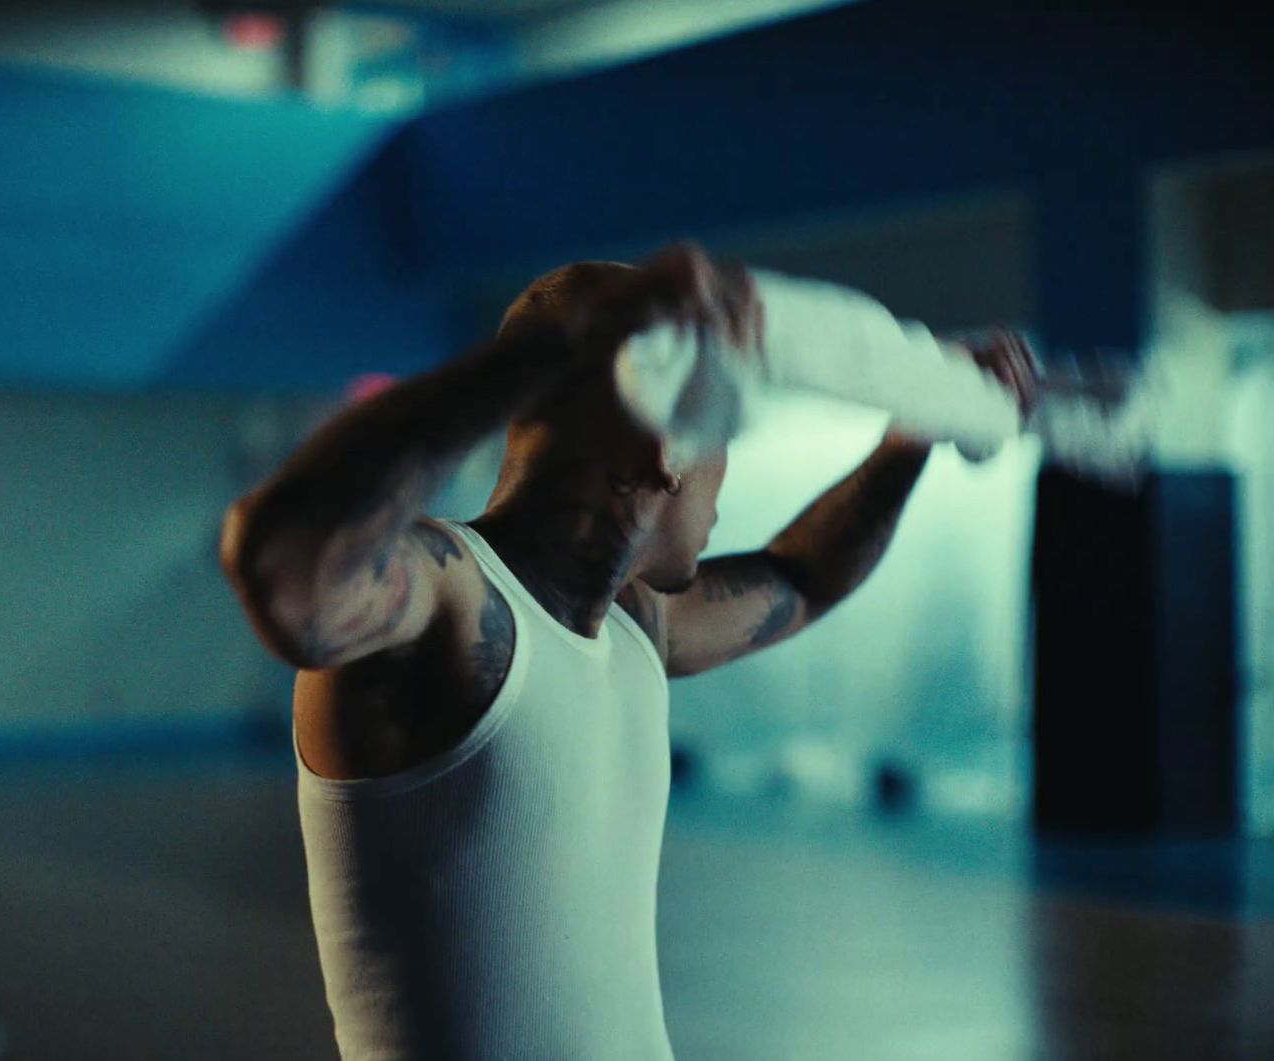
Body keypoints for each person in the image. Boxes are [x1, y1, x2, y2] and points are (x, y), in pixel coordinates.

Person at [218, 242, 1040, 1060]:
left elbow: (804, 573)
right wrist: (563, 346)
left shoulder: (634, 625)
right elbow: (278, 566)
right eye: (723, 440)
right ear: (671, 450)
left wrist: (913, 433)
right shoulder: (448, 605)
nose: (723, 478)